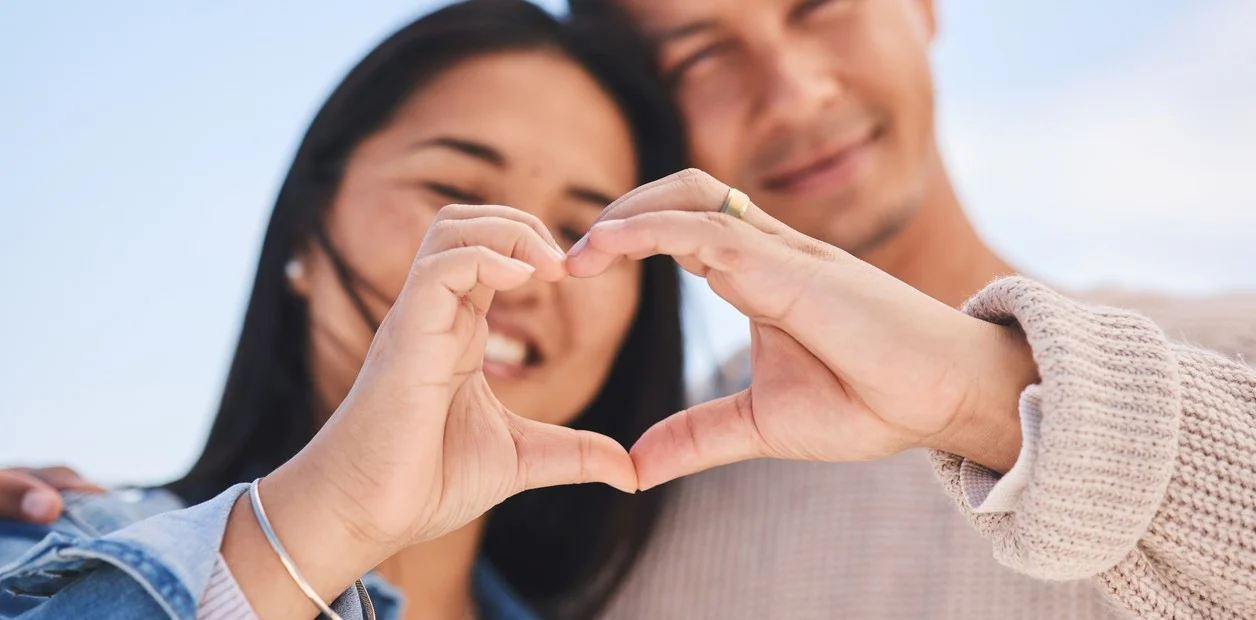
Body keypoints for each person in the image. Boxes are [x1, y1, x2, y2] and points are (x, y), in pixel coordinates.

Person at [7, 1, 1256, 619]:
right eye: (698, 51)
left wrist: (985, 392)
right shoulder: (639, 513)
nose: (792, 83)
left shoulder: (1227, 353)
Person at [0, 1, 687, 618]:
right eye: (453, 188)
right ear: (304, 230)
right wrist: (336, 517)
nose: (519, 269)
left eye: (583, 231)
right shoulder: (56, 548)